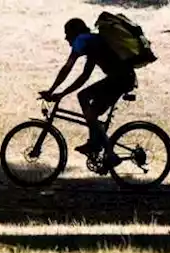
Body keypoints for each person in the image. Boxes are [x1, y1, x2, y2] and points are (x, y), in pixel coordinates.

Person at [40, 18, 137, 163]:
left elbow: (67, 67)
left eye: (67, 33)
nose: (66, 38)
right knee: (86, 102)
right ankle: (95, 143)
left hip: (120, 80)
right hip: (123, 78)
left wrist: (52, 90)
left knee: (87, 105)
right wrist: (61, 93)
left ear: (75, 32)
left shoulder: (82, 40)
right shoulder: (92, 42)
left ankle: (109, 153)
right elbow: (84, 76)